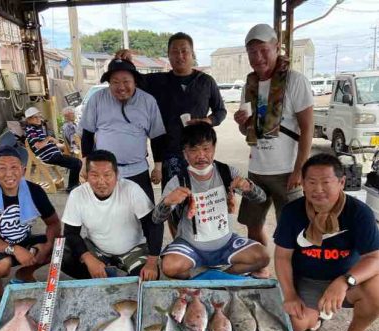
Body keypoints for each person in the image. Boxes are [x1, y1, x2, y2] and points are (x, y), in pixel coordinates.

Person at [274, 153, 379, 331]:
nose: (318, 189)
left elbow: (374, 258)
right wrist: (291, 295)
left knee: (377, 291)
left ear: (341, 182)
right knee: (297, 323)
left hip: (348, 280)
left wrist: (344, 281)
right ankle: (316, 315)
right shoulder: (292, 211)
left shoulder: (359, 213)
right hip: (307, 280)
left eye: (325, 182)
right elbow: (282, 257)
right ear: (302, 183)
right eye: (311, 182)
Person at [233, 23, 313, 271]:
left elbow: (307, 129)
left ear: (277, 47)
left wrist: (300, 170)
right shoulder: (250, 85)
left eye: (263, 50)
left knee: (292, 229)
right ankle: (261, 268)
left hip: (287, 172)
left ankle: (293, 275)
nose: (258, 58)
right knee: (252, 223)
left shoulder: (295, 81)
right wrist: (241, 123)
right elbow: (247, 131)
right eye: (252, 53)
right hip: (257, 169)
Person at [152, 123, 269, 279]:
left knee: (262, 256)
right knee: (169, 266)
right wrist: (167, 202)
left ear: (214, 148)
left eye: (206, 149)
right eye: (193, 150)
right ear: (185, 153)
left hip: (226, 244)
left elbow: (261, 198)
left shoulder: (227, 172)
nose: (201, 155)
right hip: (191, 246)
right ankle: (196, 281)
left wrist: (249, 187)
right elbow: (156, 219)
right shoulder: (178, 181)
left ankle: (218, 276)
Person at [117, 32, 227, 189]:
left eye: (184, 51)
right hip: (170, 153)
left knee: (200, 198)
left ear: (192, 54)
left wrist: (208, 121)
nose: (180, 56)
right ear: (168, 56)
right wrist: (125, 61)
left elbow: (220, 111)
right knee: (172, 199)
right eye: (174, 52)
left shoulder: (205, 81)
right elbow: (131, 79)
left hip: (198, 150)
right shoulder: (157, 81)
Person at [0, 146, 61, 305]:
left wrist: (46, 246)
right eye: (2, 168)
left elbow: (53, 222)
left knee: (60, 245)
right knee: (1, 266)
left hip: (23, 241)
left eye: (14, 167)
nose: (9, 173)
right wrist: (14, 249)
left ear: (23, 169)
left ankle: (24, 274)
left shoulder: (35, 191)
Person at [61, 150, 163, 281]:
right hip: (97, 248)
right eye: (94, 175)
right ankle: (102, 273)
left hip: (132, 249)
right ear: (87, 175)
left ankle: (106, 276)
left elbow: (153, 226)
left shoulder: (131, 189)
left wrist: (152, 263)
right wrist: (88, 258)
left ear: (117, 175)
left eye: (107, 175)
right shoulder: (77, 194)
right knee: (62, 256)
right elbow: (70, 233)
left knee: (148, 277)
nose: (101, 181)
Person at [80, 59, 166, 202]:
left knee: (147, 219)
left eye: (126, 81)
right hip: (105, 172)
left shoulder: (148, 101)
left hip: (138, 171)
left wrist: (158, 167)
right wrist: (85, 164)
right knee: (107, 217)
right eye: (115, 82)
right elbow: (87, 134)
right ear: (109, 83)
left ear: (135, 82)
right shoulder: (97, 99)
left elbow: (157, 137)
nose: (121, 87)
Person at [24, 106, 82, 192]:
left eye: (39, 116)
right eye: (35, 117)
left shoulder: (37, 129)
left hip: (54, 155)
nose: (38, 119)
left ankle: (74, 185)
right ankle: (72, 187)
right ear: (29, 120)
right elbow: (38, 145)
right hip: (49, 157)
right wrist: (49, 138)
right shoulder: (31, 130)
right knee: (76, 163)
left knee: (76, 161)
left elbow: (49, 144)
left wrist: (65, 146)